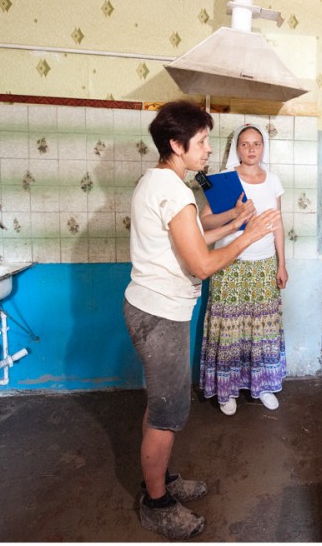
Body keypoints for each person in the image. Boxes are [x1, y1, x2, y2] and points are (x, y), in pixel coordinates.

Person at [123, 101, 279, 539]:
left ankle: (161, 478)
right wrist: (248, 235)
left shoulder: (160, 182)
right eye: (203, 141)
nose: (210, 149)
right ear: (176, 144)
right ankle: (156, 503)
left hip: (151, 307)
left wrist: (232, 219)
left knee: (161, 407)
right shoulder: (171, 191)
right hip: (159, 314)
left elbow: (189, 240)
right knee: (168, 411)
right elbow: (202, 265)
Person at [198, 124, 288, 415]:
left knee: (261, 330)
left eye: (257, 144)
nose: (251, 149)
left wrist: (281, 264)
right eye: (245, 144)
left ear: (264, 148)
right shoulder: (224, 181)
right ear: (237, 148)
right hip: (229, 264)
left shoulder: (273, 180)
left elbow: (277, 224)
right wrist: (235, 214)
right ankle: (226, 392)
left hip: (264, 267)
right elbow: (205, 222)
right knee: (230, 330)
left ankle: (262, 387)